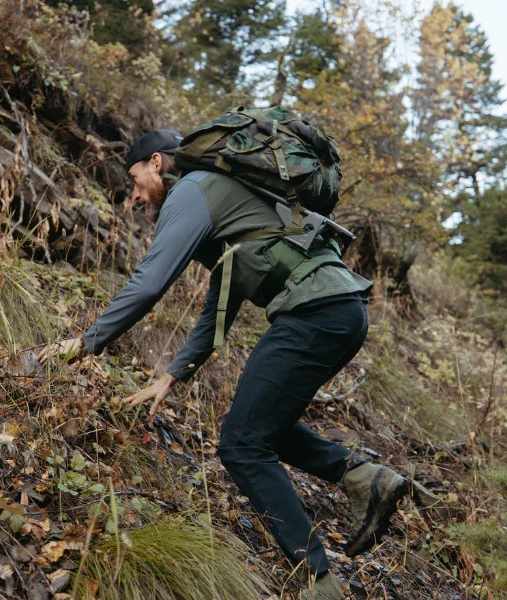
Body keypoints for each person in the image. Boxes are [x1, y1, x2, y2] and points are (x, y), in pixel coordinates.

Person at [39, 129, 412, 599]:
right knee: (258, 428)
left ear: (156, 162)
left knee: (239, 444)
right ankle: (363, 475)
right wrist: (172, 376)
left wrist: (84, 343)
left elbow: (150, 283)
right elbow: (221, 302)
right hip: (342, 313)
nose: (133, 196)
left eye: (134, 180)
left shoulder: (191, 192)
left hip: (316, 314)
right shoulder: (227, 201)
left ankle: (320, 582)